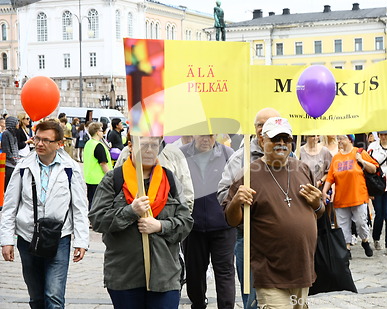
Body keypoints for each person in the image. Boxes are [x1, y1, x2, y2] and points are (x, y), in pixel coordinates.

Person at [223, 117, 324, 308]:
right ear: (262, 141)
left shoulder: (302, 168)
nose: (281, 144)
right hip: (270, 274)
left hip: (302, 271)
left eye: (286, 139)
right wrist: (236, 200)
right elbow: (232, 220)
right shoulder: (249, 175)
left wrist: (318, 204)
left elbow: (318, 212)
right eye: (275, 139)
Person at [89, 136, 193, 308]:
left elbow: (186, 222)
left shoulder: (169, 180)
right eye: (144, 145)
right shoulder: (113, 179)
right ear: (130, 146)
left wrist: (160, 226)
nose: (149, 150)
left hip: (164, 276)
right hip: (125, 276)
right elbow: (98, 219)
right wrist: (131, 211)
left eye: (154, 145)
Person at [0, 120, 89, 308]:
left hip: (59, 237)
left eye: (46, 140)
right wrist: (6, 240)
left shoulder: (70, 168)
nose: (40, 144)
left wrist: (81, 240)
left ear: (59, 144)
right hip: (27, 237)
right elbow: (9, 206)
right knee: (36, 296)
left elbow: (79, 207)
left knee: (54, 296)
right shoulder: (23, 166)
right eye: (37, 139)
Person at [217, 107, 280, 309]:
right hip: (250, 241)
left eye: (268, 124)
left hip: (283, 240)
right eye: (259, 125)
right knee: (254, 301)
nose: (263, 129)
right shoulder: (240, 158)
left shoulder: (289, 155)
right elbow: (222, 195)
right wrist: (237, 198)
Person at [180, 134, 235, 309]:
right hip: (192, 226)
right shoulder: (181, 155)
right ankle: (197, 304)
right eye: (202, 134)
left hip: (223, 226)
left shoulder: (227, 154)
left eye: (210, 135)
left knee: (225, 272)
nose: (206, 138)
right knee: (194, 273)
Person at [322, 134, 377, 258]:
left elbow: (373, 169)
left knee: (361, 222)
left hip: (358, 195)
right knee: (343, 225)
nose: (340, 141)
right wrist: (324, 191)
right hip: (341, 198)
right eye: (339, 139)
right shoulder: (336, 158)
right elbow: (331, 177)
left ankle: (365, 240)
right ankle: (346, 248)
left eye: (342, 138)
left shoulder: (359, 152)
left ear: (350, 140)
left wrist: (362, 161)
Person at [368, 130, 387, 256]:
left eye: (386, 135)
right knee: (379, 214)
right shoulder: (372, 147)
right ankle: (376, 237)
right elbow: (368, 166)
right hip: (377, 185)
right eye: (382, 135)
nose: (384, 137)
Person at [83, 122, 112, 209]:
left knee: (91, 200)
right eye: (101, 130)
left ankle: (91, 219)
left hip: (89, 178)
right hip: (99, 179)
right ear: (97, 132)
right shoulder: (98, 146)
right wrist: (111, 176)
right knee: (98, 202)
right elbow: (103, 164)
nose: (103, 132)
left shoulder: (88, 143)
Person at [2, 116, 20, 189]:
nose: (18, 124)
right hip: (9, 164)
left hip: (15, 163)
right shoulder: (5, 134)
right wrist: (13, 159)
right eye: (17, 123)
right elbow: (6, 150)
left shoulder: (14, 134)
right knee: (8, 184)